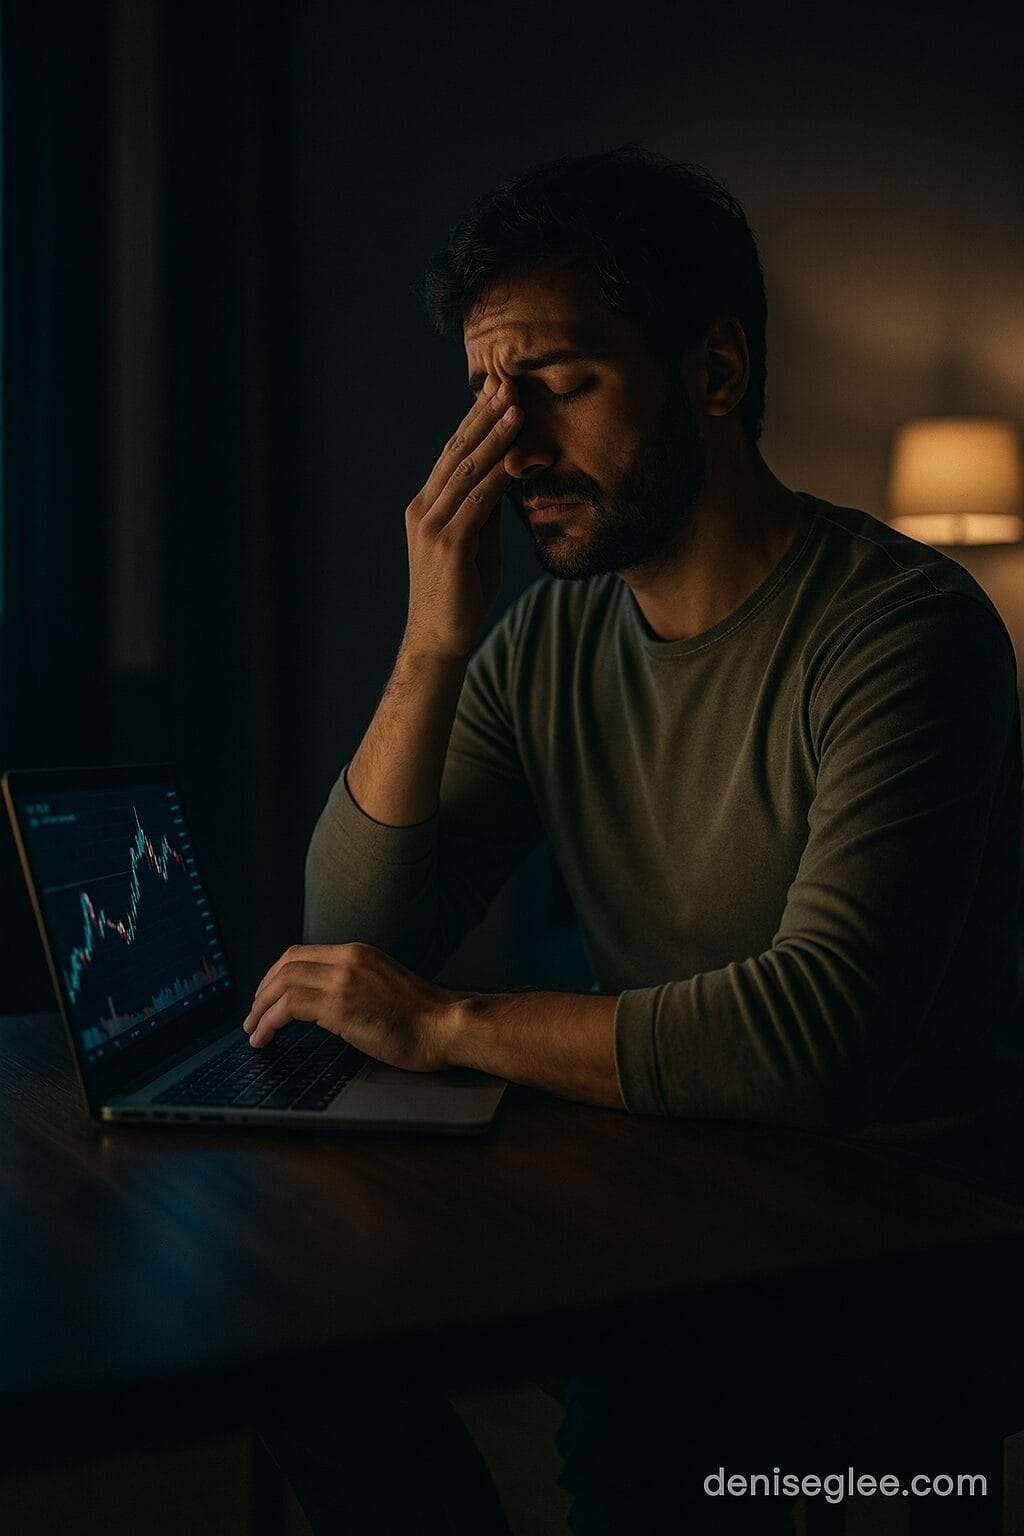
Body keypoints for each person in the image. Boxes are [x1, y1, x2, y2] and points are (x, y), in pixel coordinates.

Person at [251, 145, 1024, 1533]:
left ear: (715, 373)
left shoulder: (907, 631)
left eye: (558, 385)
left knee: (656, 1430)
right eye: (487, 400)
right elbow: (355, 943)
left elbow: (813, 1042)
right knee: (303, 1335)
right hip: (672, 1175)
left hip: (911, 1233)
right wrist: (432, 642)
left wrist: (448, 1022)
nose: (512, 450)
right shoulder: (545, 641)